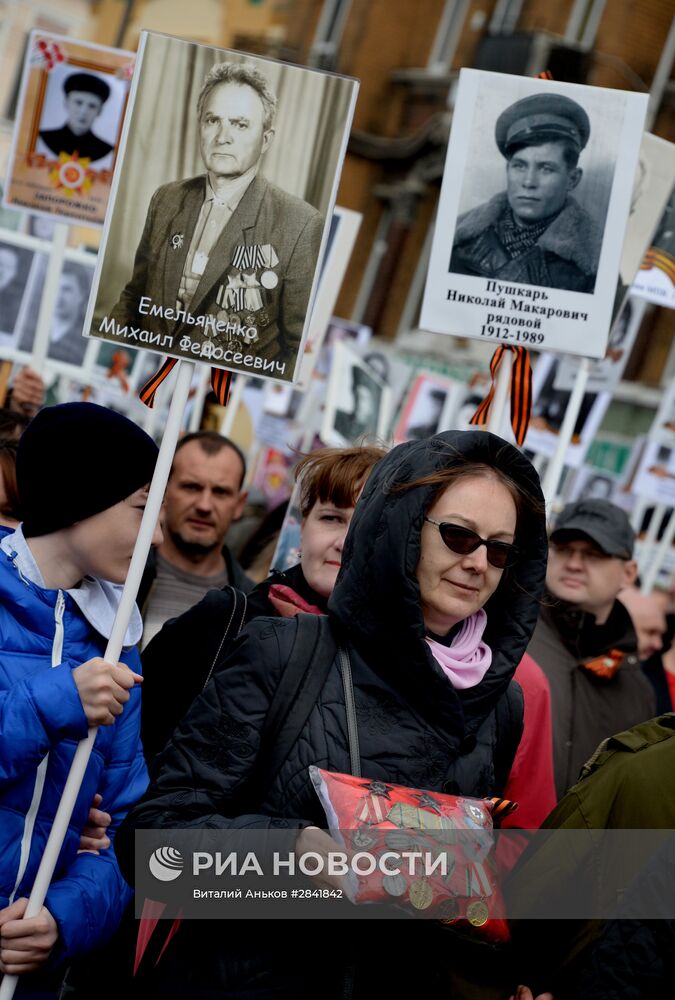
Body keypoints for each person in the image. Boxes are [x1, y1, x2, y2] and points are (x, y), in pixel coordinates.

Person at [116, 429, 548, 998]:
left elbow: (459, 900)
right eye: (459, 536)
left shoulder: (502, 702)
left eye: (499, 549)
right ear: (400, 528)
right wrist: (289, 851)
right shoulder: (284, 651)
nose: (477, 564)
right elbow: (153, 849)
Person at [0, 402, 159, 991]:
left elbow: (123, 829)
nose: (156, 536)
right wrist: (56, 702)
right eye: (142, 510)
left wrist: (61, 920)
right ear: (79, 496)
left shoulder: (119, 639)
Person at [140, 444, 386, 761]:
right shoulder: (224, 622)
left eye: (365, 525)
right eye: (331, 518)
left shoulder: (409, 662)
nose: (343, 542)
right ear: (303, 527)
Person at [109, 61, 323, 377]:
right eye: (213, 120)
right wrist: (105, 358)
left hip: (216, 396)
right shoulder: (167, 198)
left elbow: (296, 348)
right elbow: (134, 296)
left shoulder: (299, 224)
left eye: (239, 124)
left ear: (265, 140)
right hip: (140, 376)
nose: (223, 136)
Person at [526, 498, 656, 799]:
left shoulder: (636, 690)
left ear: (629, 573)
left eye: (594, 555)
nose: (573, 563)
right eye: (563, 549)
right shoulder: (506, 633)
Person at [450, 93, 600, 292]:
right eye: (519, 166)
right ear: (507, 170)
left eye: (546, 169)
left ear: (572, 179)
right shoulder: (459, 234)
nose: (529, 182)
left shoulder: (594, 258)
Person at [138, 430, 253, 649]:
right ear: (163, 489)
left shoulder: (251, 606)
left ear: (239, 504)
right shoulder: (119, 578)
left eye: (220, 492)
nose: (204, 506)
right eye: (192, 487)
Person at [38, 71, 114, 164]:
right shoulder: (44, 138)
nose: (83, 112)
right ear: (66, 103)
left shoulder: (105, 150)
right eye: (78, 103)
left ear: (99, 111)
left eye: (92, 106)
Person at [334, 364, 382, 441]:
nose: (360, 404)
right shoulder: (342, 419)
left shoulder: (361, 433)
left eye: (363, 398)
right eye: (357, 396)